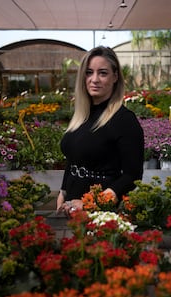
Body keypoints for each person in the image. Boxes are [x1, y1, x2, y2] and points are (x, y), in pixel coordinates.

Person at [56, 46, 144, 216]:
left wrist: (92, 203)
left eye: (102, 73)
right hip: (70, 205)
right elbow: (73, 160)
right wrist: (63, 192)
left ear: (115, 77)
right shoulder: (81, 115)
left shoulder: (124, 120)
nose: (94, 79)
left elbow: (132, 176)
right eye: (89, 72)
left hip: (103, 212)